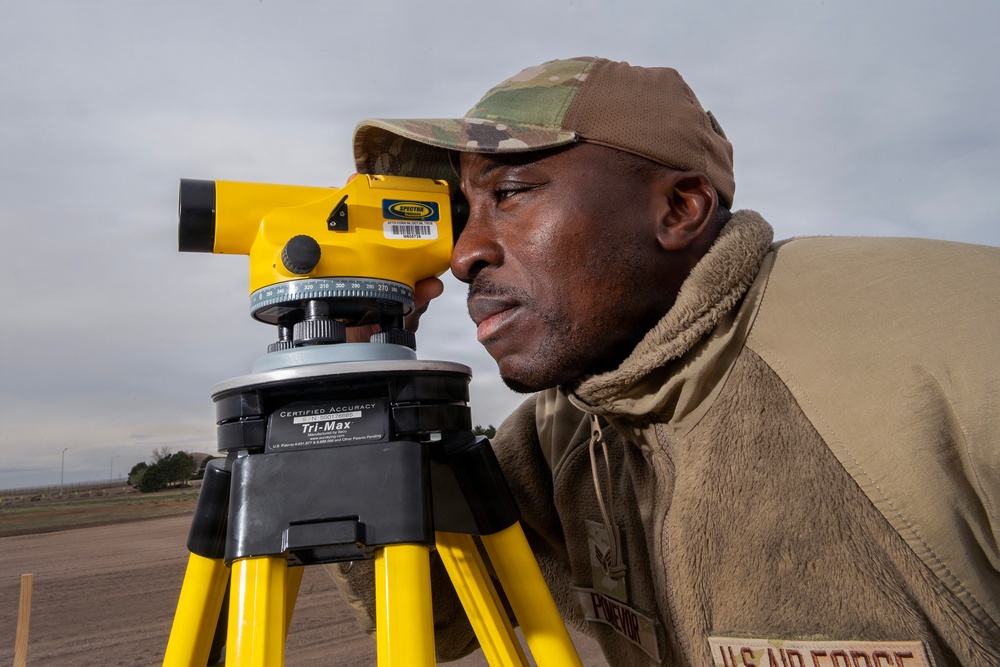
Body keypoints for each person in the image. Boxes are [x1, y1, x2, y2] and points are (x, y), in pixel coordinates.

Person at [329, 57, 1000, 666]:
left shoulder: (956, 349)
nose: (464, 253)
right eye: (461, 211)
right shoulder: (560, 432)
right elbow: (429, 613)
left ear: (680, 208)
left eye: (508, 194)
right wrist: (352, 366)